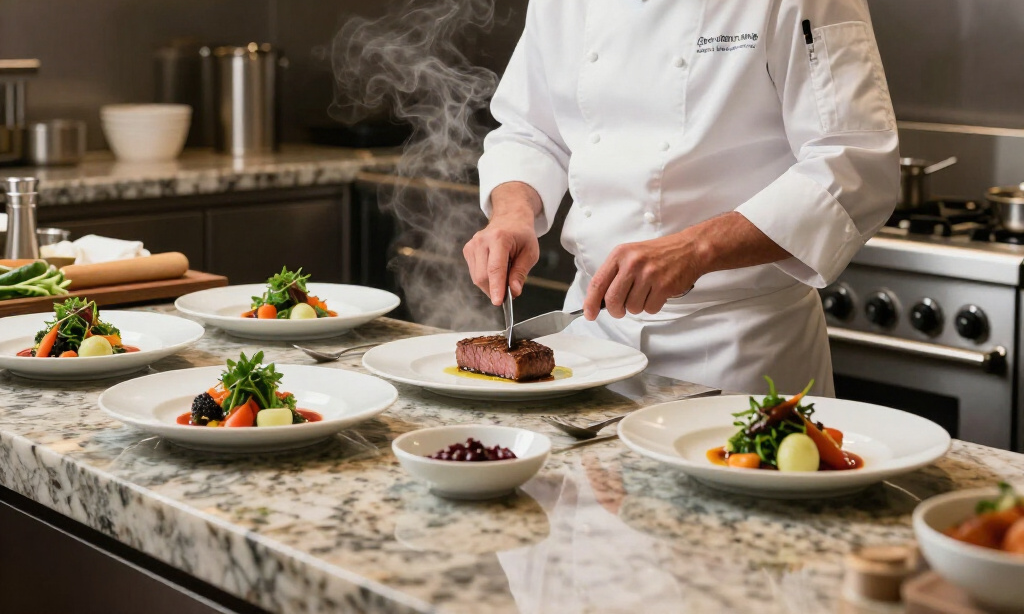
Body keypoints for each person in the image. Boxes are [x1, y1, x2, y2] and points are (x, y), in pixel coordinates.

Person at [463, 0, 899, 396]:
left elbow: (855, 165)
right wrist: (512, 212)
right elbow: (531, 129)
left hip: (739, 352)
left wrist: (696, 249)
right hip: (592, 340)